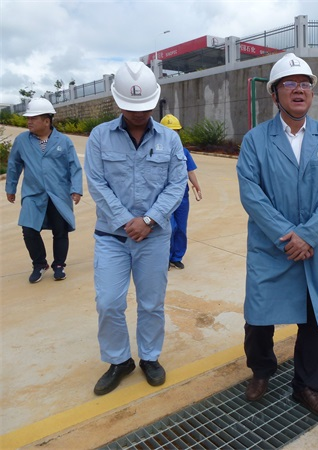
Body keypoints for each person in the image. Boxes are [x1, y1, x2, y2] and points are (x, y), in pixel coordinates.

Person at [236, 53, 318, 418]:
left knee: (315, 320)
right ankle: (262, 370)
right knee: (259, 317)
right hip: (272, 247)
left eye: (305, 84)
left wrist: (309, 235)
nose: (299, 90)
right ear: (274, 94)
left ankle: (307, 386)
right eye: (289, 84)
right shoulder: (255, 140)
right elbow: (251, 192)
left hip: (314, 247)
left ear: (311, 93)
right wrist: (287, 235)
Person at [85, 61, 187, 396]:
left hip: (154, 237)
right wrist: (126, 220)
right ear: (117, 101)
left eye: (144, 106)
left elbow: (177, 184)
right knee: (108, 302)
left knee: (151, 302)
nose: (139, 113)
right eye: (131, 107)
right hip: (111, 237)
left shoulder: (169, 139)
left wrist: (149, 220)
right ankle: (119, 360)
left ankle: (149, 357)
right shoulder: (100, 137)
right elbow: (97, 183)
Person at [5, 98, 83, 283]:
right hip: (33, 193)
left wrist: (76, 189)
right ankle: (39, 264)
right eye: (28, 118)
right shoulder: (22, 141)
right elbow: (14, 165)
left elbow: (74, 166)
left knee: (60, 230)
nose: (29, 122)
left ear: (47, 120)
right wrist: (11, 187)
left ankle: (59, 265)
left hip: (58, 193)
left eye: (33, 118)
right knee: (29, 229)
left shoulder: (63, 141)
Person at [160, 114, 202, 270]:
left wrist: (197, 186)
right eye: (169, 131)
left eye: (175, 131)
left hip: (182, 196)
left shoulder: (184, 152)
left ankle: (177, 256)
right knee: (169, 228)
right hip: (164, 196)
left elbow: (190, 171)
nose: (173, 135)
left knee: (181, 228)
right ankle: (165, 257)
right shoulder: (157, 152)